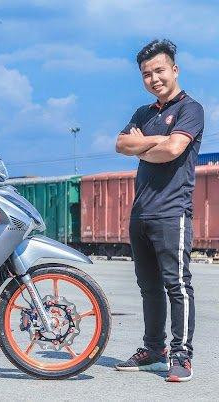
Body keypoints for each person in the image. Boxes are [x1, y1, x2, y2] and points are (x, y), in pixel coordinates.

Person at [114, 39, 204, 382]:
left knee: (176, 285)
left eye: (159, 70)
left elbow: (174, 150)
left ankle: (181, 356)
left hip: (172, 212)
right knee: (148, 287)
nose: (154, 79)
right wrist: (155, 141)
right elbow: (121, 144)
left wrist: (142, 145)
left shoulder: (190, 109)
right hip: (141, 212)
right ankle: (154, 351)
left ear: (174, 70)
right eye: (146, 74)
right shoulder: (143, 113)